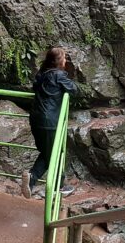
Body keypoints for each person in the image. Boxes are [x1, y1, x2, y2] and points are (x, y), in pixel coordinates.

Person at [21, 47, 78, 200]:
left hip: (36, 119)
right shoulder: (59, 75)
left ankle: (31, 180)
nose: (66, 61)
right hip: (49, 121)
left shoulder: (41, 74)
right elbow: (74, 89)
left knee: (48, 154)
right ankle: (58, 186)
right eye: (64, 58)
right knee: (56, 154)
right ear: (60, 62)